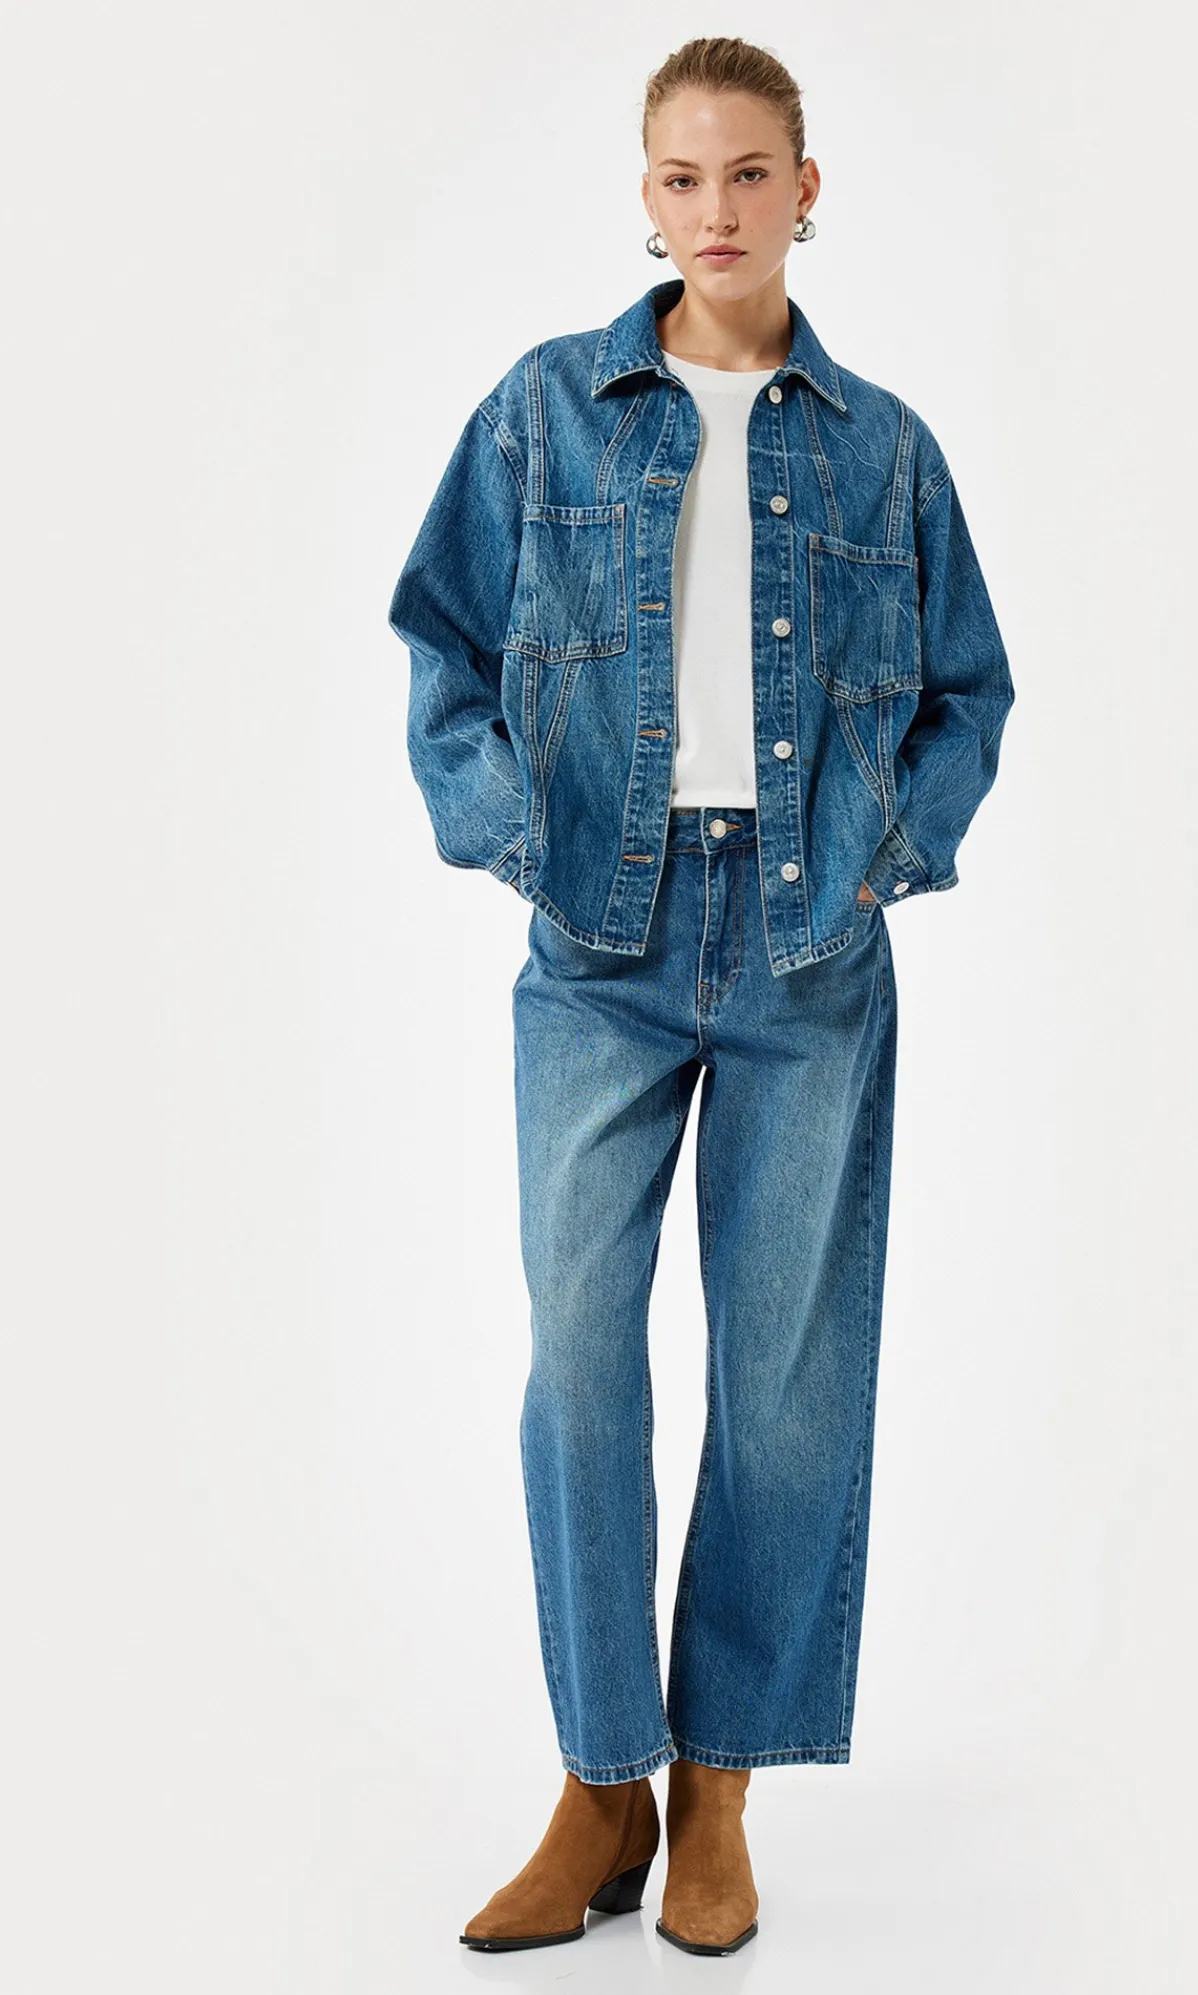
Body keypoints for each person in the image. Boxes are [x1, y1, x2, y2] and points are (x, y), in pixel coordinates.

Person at [386, 35, 1014, 1958]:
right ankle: (602, 1783)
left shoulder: (883, 445)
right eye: (682, 178)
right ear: (643, 197)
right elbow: (441, 643)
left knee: (784, 1380)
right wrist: (520, 835)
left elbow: (967, 692)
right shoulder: (545, 409)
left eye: (749, 176)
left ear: (805, 191)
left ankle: (719, 1785)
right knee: (580, 1355)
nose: (715, 210)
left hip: (811, 943)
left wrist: (887, 851)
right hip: (601, 947)